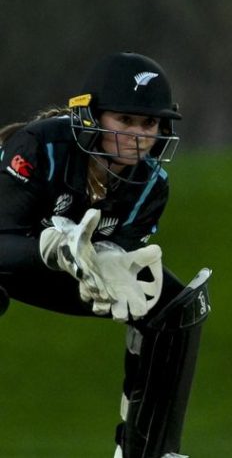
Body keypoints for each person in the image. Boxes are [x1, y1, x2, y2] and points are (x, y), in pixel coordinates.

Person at [0, 52, 212, 458]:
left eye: (148, 123)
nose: (137, 136)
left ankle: (148, 449)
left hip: (73, 269)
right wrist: (54, 246)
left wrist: (115, 260)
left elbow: (120, 255)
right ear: (92, 118)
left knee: (171, 305)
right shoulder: (39, 145)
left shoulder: (151, 186)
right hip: (11, 255)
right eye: (125, 121)